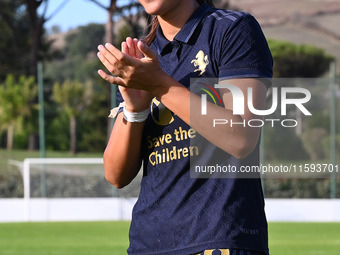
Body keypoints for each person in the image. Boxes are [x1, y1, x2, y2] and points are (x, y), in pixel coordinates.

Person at [97, 0, 273, 254]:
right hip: (147, 245)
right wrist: (135, 111)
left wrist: (160, 86)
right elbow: (116, 175)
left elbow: (241, 137)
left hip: (218, 240)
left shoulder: (233, 30)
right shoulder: (140, 58)